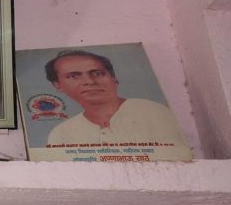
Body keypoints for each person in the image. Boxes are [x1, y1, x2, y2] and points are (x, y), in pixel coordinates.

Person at [45, 49, 188, 146]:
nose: (89, 81)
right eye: (73, 76)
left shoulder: (152, 112)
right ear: (58, 85)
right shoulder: (61, 133)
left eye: (98, 73)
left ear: (113, 78)